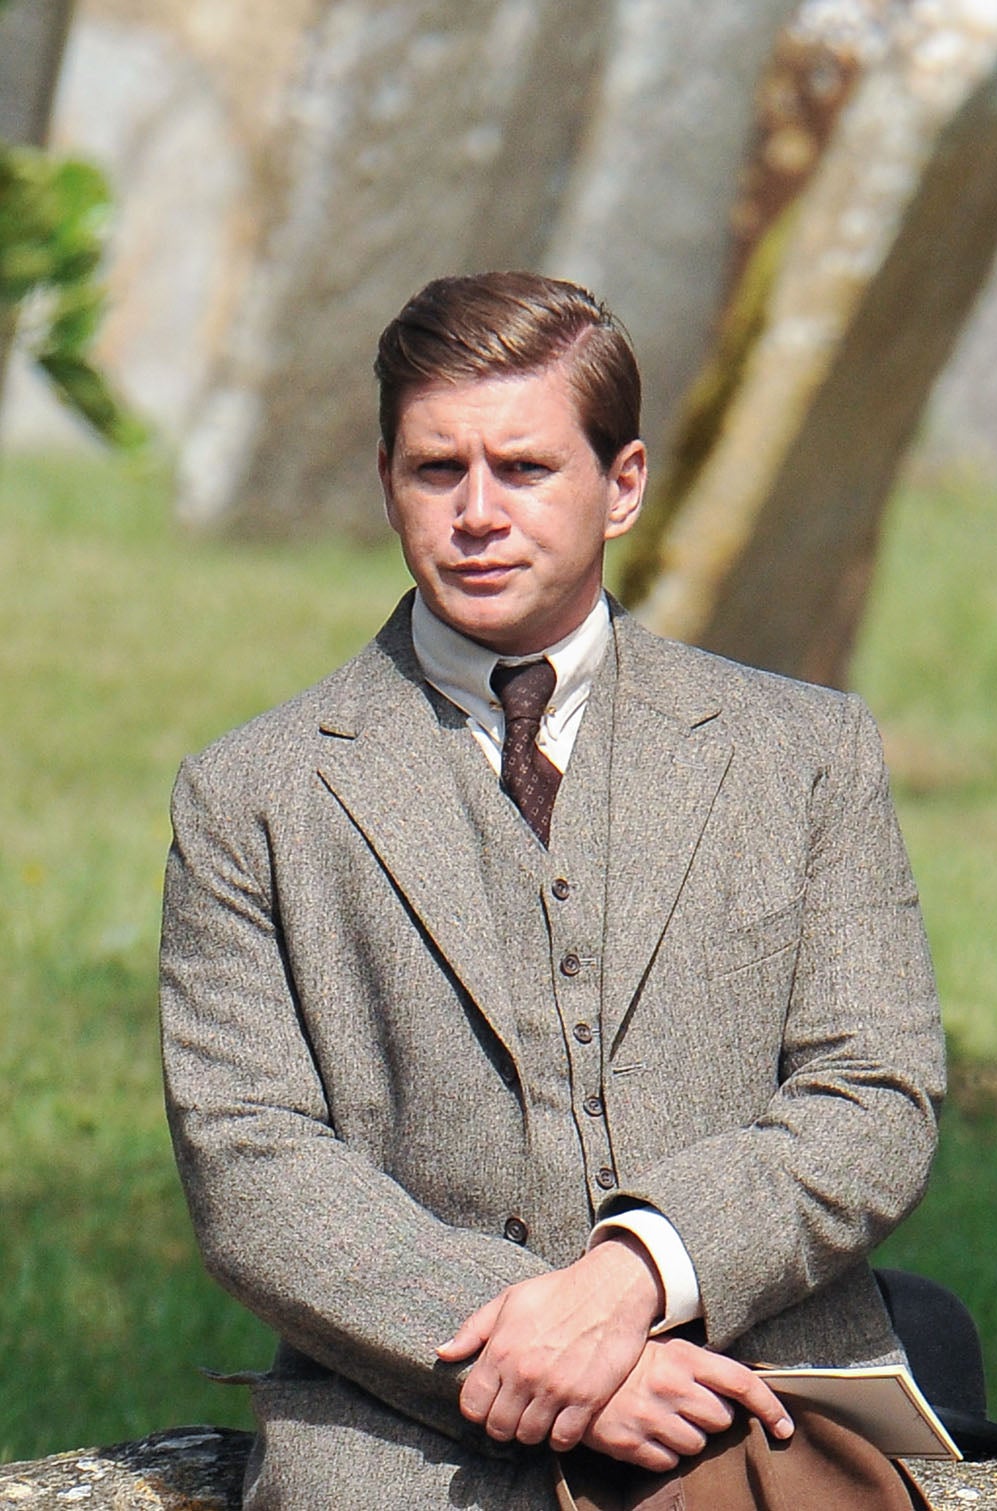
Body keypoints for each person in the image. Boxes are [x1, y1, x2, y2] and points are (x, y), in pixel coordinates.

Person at [159, 271, 946, 1508]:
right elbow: (251, 1164)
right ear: (386, 481)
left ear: (621, 483)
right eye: (436, 470)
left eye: (523, 469)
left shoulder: (800, 751)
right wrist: (527, 1346)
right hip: (401, 1427)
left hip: (750, 1403)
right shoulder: (250, 793)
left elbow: (875, 1092)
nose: (476, 512)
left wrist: (637, 1275)